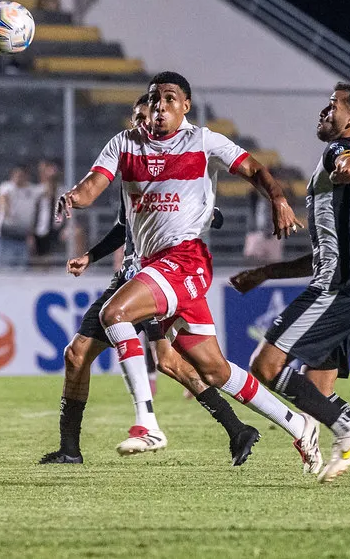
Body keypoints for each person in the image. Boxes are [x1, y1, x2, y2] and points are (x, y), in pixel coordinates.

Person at [55, 71, 319, 470]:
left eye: (169, 97)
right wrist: (74, 196)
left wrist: (279, 199)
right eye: (154, 97)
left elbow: (255, 170)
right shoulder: (125, 143)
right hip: (145, 267)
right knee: (212, 368)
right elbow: (93, 187)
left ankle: (147, 424)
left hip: (184, 260)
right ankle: (298, 425)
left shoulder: (203, 141)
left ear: (185, 106)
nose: (160, 104)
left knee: (116, 315)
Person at [41, 94, 260, 466]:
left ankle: (181, 425)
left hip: (155, 276)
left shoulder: (172, 166)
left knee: (170, 361)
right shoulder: (132, 166)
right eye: (140, 117)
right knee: (82, 355)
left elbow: (191, 208)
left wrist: (208, 213)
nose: (147, 122)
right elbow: (122, 228)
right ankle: (70, 448)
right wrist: (91, 256)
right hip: (132, 275)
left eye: (152, 114)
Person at [236, 83, 350, 486]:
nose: (324, 110)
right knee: (318, 390)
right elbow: (325, 254)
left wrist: (346, 168)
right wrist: (265, 273)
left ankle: (349, 433)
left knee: (265, 366)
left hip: (338, 289)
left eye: (333, 105)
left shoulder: (343, 151)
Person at [0, 166, 41, 270]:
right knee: (4, 269)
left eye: (21, 175)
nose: (18, 178)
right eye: (16, 175)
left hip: (22, 237)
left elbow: (47, 191)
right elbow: (3, 198)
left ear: (26, 176)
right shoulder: (6, 187)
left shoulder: (32, 190)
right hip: (5, 236)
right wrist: (6, 210)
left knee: (21, 270)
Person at [33, 158, 64, 261]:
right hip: (41, 230)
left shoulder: (64, 192)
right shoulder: (36, 192)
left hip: (58, 229)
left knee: (77, 233)